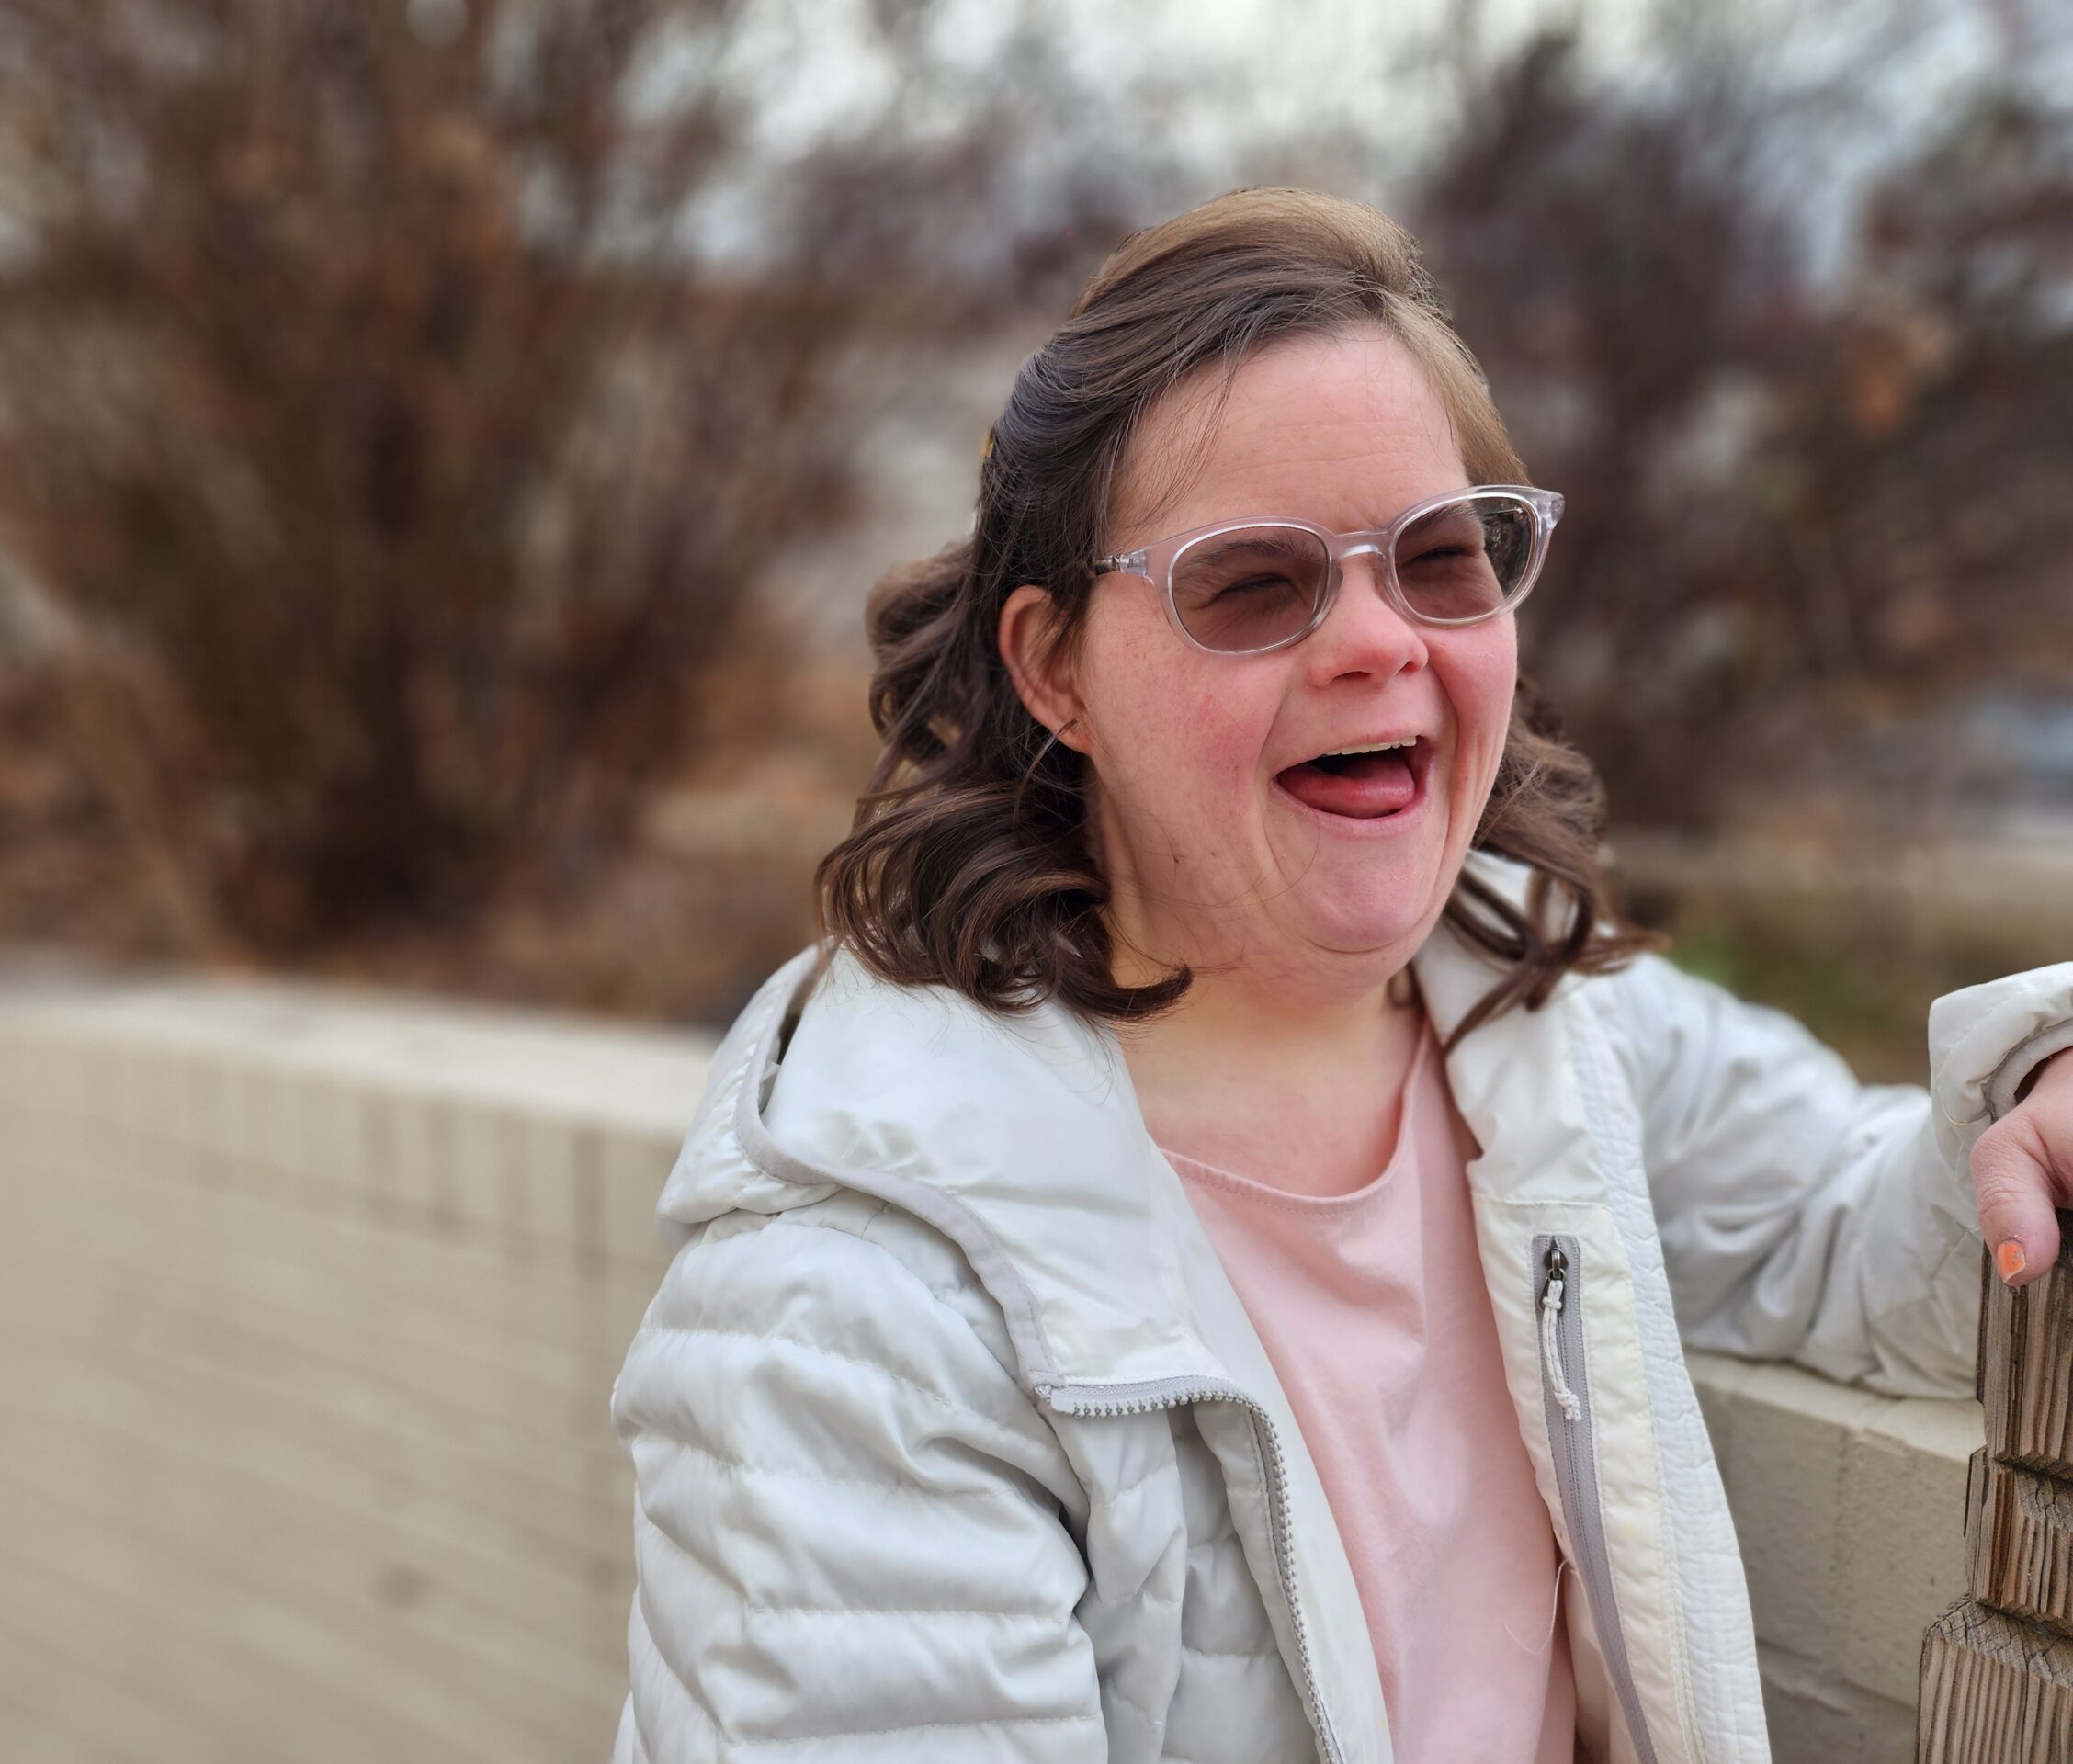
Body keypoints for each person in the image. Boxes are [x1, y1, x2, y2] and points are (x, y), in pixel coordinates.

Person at [605, 187, 2073, 1763]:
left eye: (1442, 559)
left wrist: (2035, 1098)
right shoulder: (857, 1300)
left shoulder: (1538, 1023)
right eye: (1254, 582)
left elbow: (1857, 1240)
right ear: (1053, 670)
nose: (1381, 642)